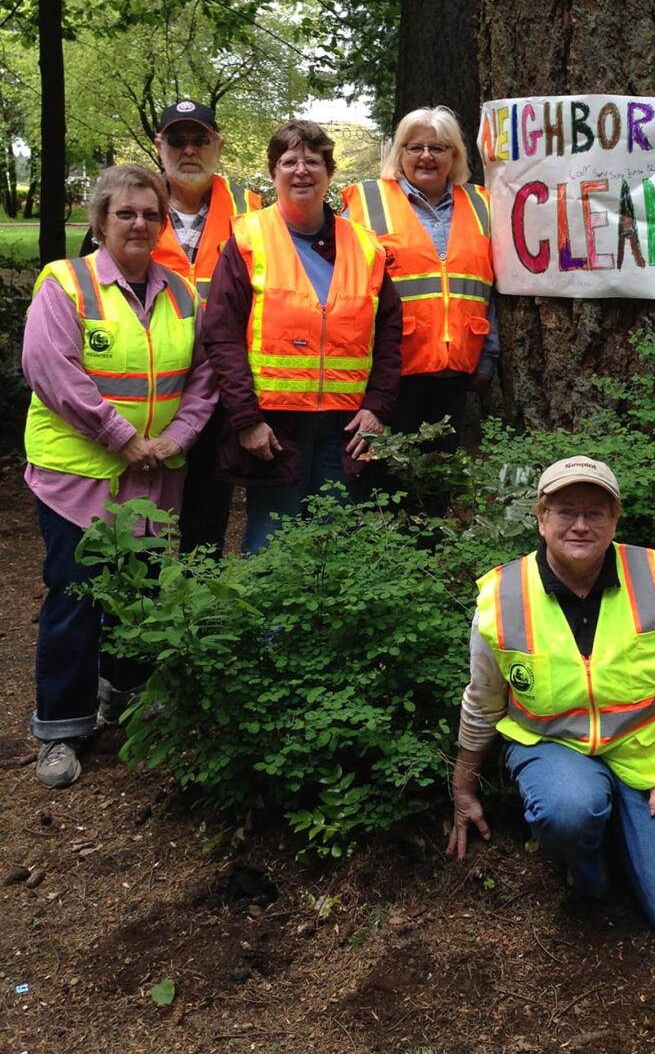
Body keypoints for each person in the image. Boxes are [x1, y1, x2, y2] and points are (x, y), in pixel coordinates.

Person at [448, 456, 655, 942]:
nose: (580, 525)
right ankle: (591, 872)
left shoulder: (651, 579)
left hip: (644, 751)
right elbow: (482, 703)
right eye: (566, 511)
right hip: (553, 750)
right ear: (541, 518)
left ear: (615, 520)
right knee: (569, 809)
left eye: (596, 512)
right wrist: (463, 788)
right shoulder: (502, 599)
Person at [23, 164, 217, 789]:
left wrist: (177, 437)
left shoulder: (184, 294)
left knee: (140, 590)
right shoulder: (66, 282)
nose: (138, 223)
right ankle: (61, 727)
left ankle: (125, 695)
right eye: (125, 213)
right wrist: (122, 437)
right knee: (76, 597)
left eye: (150, 214)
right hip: (76, 476)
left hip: (154, 474)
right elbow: (52, 371)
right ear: (101, 220)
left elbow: (204, 380)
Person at [202, 120, 402, 553]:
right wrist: (247, 419)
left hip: (344, 426)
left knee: (333, 540)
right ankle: (267, 624)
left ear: (329, 173)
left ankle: (325, 624)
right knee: (270, 542)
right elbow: (221, 336)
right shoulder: (246, 239)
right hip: (275, 426)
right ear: (274, 173)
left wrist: (377, 409)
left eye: (312, 161)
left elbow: (388, 335)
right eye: (289, 161)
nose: (301, 171)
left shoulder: (366, 246)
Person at [342, 106, 497, 465]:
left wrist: (489, 354)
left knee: (437, 477)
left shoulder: (483, 204)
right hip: (387, 372)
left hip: (457, 372)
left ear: (454, 155)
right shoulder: (366, 203)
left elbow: (493, 288)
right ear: (400, 153)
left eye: (438, 148)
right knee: (383, 475)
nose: (426, 156)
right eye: (415, 147)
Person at [147, 99, 261, 555]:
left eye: (200, 139)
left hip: (221, 382)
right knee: (143, 505)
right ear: (160, 145)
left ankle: (202, 607)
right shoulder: (134, 204)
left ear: (218, 144)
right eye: (177, 140)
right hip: (153, 382)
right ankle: (141, 608)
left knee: (209, 507)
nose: (188, 150)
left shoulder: (250, 210)